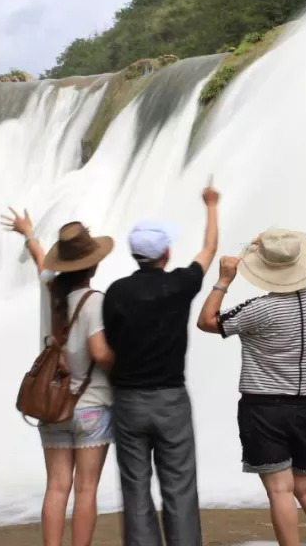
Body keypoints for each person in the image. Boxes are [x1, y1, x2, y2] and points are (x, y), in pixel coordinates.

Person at [196, 229, 306, 546]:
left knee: (280, 490)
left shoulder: (259, 310)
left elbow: (207, 321)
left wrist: (223, 280)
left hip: (264, 409)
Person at [101, 185, 220, 546]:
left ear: (135, 254)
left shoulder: (116, 292)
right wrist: (212, 206)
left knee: (135, 485)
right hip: (170, 398)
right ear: (166, 253)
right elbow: (209, 249)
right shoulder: (180, 285)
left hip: (128, 400)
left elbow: (109, 348)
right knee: (179, 482)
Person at [2, 208, 116, 546]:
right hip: (92, 405)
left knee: (56, 486)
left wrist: (29, 234)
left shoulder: (48, 288)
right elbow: (100, 353)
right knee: (86, 488)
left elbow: (42, 263)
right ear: (94, 265)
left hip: (53, 404)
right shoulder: (95, 302)